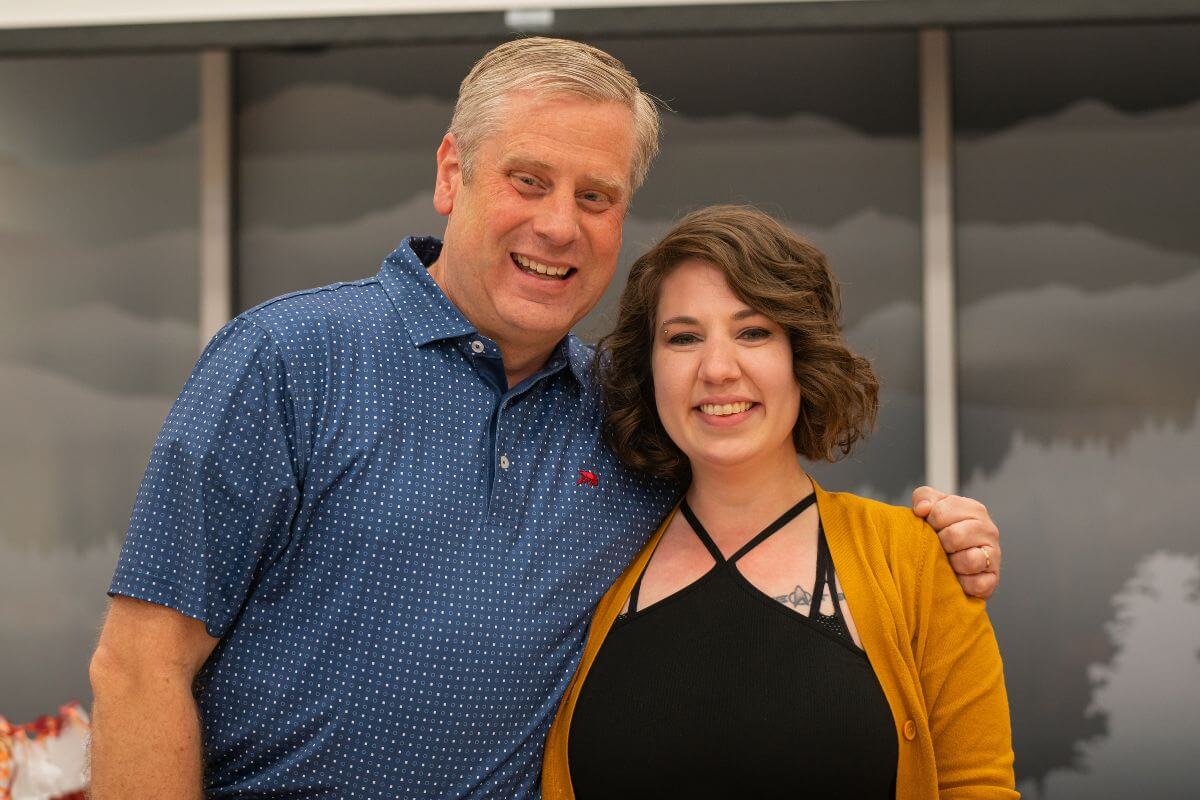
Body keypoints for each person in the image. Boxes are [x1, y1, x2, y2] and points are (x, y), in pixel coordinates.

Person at [88, 38, 1002, 799]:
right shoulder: (290, 359)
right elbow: (138, 667)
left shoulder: (626, 415)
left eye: (595, 196)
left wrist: (943, 540)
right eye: (528, 180)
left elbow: (756, 487)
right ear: (453, 174)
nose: (559, 226)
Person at [542, 205, 1015, 800]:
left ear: (802, 356)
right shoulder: (592, 560)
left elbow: (978, 787)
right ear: (649, 370)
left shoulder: (916, 561)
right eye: (684, 338)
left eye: (753, 332)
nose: (717, 368)